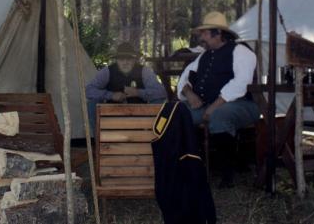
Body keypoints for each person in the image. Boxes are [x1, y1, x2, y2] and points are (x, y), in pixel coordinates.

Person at [177, 11, 260, 188]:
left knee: (219, 116)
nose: (201, 38)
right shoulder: (203, 56)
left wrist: (215, 106)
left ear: (218, 33)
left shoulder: (241, 51)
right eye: (202, 33)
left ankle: (227, 174)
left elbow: (241, 82)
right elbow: (183, 78)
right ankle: (190, 167)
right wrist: (190, 94)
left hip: (243, 104)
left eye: (205, 33)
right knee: (177, 114)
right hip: (208, 104)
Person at [86, 42, 167, 134]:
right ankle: (99, 141)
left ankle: (153, 137)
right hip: (113, 114)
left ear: (134, 59)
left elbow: (161, 92)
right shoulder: (107, 71)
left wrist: (138, 92)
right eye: (121, 58)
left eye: (129, 58)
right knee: (92, 104)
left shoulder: (144, 71)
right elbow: (89, 90)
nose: (125, 62)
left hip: (139, 116)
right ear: (116, 60)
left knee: (159, 102)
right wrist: (111, 95)